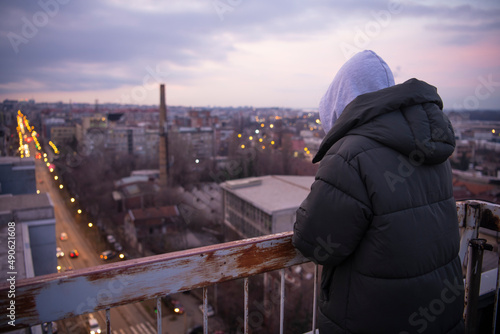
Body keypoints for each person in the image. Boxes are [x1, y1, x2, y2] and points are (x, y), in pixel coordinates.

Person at [292, 50, 464, 333]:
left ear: (341, 103)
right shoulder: (432, 148)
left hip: (372, 318)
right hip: (441, 316)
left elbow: (317, 243)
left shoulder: (350, 154)